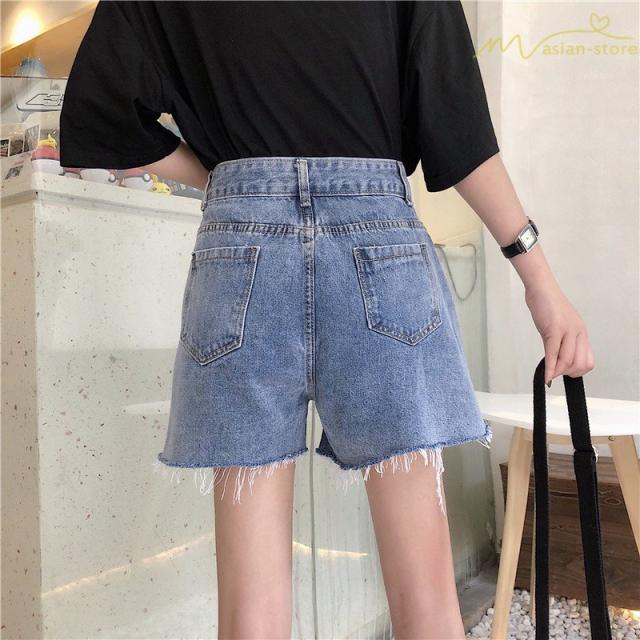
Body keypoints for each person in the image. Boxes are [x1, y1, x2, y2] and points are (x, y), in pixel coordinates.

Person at [59, 2, 595, 638]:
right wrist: (539, 278)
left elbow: (100, 117)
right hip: (378, 245)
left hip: (242, 251)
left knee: (251, 615)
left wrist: (233, 182)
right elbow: (458, 128)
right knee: (426, 599)